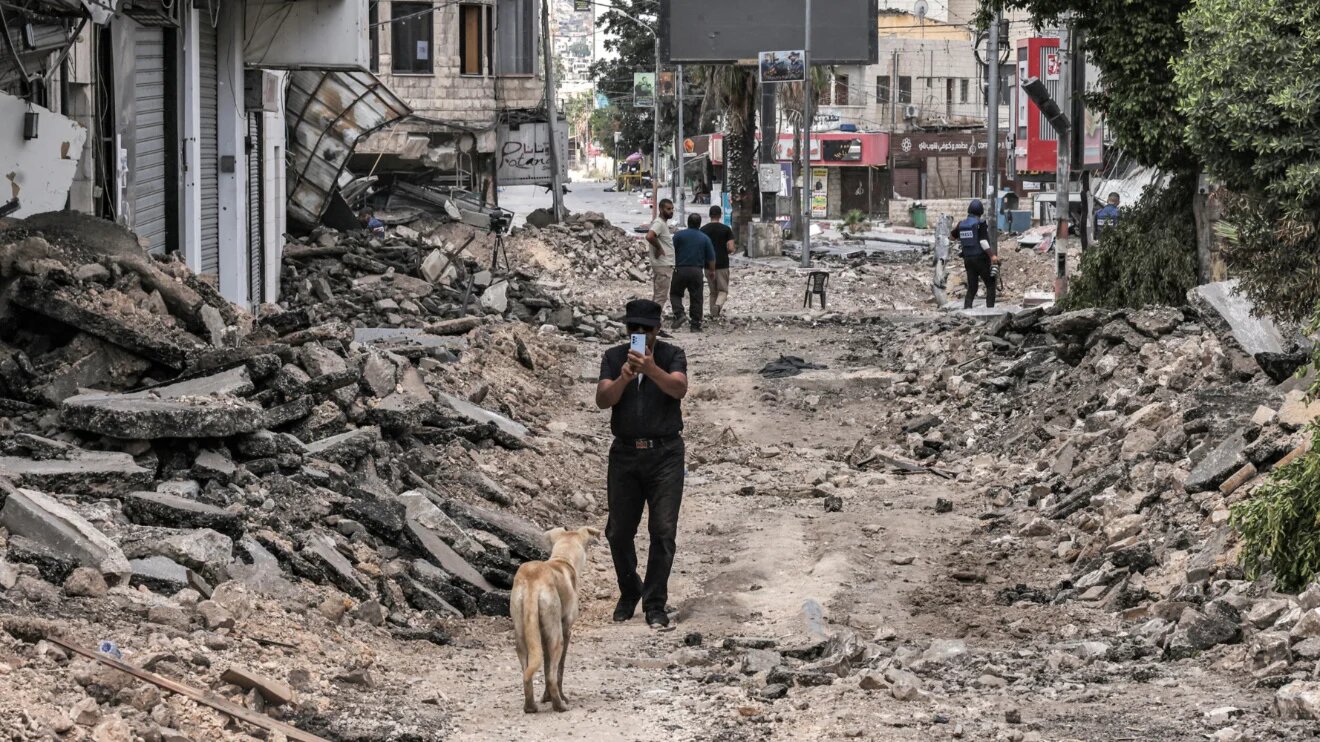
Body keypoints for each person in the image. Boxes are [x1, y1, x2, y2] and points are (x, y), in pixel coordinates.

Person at [596, 299, 689, 630]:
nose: (638, 334)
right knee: (618, 532)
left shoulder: (670, 355)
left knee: (663, 530)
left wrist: (650, 369)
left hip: (665, 453)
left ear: (657, 329)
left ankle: (654, 603)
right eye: (632, 328)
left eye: (645, 329)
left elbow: (679, 388)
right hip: (625, 454)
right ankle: (629, 589)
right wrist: (624, 378)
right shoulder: (613, 357)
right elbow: (603, 399)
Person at [669, 213, 717, 331]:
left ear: (688, 222)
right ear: (700, 224)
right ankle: (695, 325)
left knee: (675, 293)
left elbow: (670, 251)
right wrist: (712, 271)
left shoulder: (678, 235)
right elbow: (711, 258)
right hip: (696, 271)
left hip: (680, 269)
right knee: (696, 297)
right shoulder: (704, 238)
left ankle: (679, 314)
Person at [951, 199, 997, 309]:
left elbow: (952, 237)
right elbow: (983, 242)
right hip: (981, 259)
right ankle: (990, 310)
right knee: (990, 284)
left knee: (972, 287)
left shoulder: (961, 224)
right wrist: (992, 256)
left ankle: (967, 310)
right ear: (980, 212)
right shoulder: (980, 224)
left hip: (968, 259)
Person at [701, 206, 736, 319]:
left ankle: (713, 314)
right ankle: (717, 306)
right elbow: (731, 248)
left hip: (707, 264)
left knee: (713, 291)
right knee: (723, 290)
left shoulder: (703, 229)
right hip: (722, 264)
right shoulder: (726, 229)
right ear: (720, 215)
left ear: (710, 215)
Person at [646, 199, 676, 311]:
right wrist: (659, 248)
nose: (671, 211)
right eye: (668, 209)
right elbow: (649, 236)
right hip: (663, 265)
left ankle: (651, 322)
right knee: (660, 297)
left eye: (672, 209)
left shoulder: (662, 223)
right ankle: (653, 324)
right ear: (661, 209)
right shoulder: (659, 223)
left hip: (663, 265)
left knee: (658, 296)